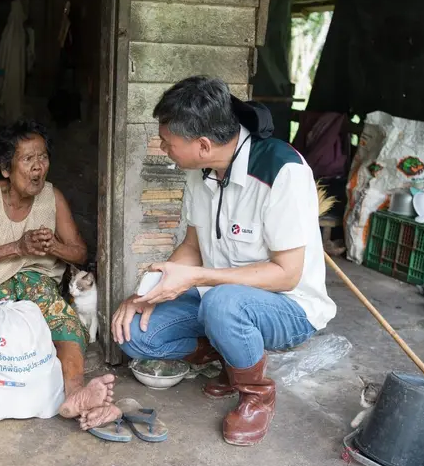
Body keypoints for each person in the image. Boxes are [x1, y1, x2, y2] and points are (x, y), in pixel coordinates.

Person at [105, 76, 337, 445]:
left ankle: (256, 394)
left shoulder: (283, 171)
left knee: (221, 301)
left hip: (289, 308)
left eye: (169, 144)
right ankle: (232, 356)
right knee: (133, 334)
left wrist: (198, 277)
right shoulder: (203, 172)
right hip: (220, 301)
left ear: (202, 144)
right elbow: (192, 247)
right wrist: (147, 293)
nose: (164, 149)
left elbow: (287, 275)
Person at [0, 119, 114, 423]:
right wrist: (17, 247)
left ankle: (75, 394)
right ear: (5, 169)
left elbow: (79, 252)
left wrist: (52, 246)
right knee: (7, 331)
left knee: (61, 318)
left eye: (43, 158)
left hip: (37, 282)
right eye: (28, 159)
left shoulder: (52, 197)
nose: (38, 167)